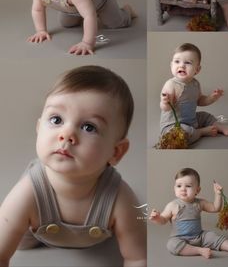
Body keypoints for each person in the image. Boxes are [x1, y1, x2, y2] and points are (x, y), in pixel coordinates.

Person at [0, 65, 146, 267]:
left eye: (89, 127)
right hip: (35, 233)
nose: (66, 134)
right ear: (38, 128)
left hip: (95, 239)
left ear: (116, 152)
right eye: (56, 119)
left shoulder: (119, 199)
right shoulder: (28, 192)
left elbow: (137, 258)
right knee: (20, 244)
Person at [149, 167, 228, 258]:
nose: (183, 189)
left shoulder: (199, 203)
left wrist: (218, 194)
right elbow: (163, 220)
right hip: (180, 239)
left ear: (197, 190)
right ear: (174, 189)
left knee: (212, 236)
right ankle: (200, 251)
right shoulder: (172, 205)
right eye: (179, 186)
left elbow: (215, 208)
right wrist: (157, 218)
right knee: (172, 244)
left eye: (188, 186)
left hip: (200, 237)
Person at [160, 43, 228, 145]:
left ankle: (222, 127)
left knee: (205, 116)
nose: (181, 65)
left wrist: (212, 98)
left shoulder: (195, 84)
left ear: (197, 69)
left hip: (192, 120)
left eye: (188, 63)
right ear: (171, 65)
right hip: (173, 126)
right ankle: (201, 132)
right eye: (177, 61)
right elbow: (166, 108)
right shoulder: (171, 84)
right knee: (183, 132)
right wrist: (165, 103)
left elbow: (200, 100)